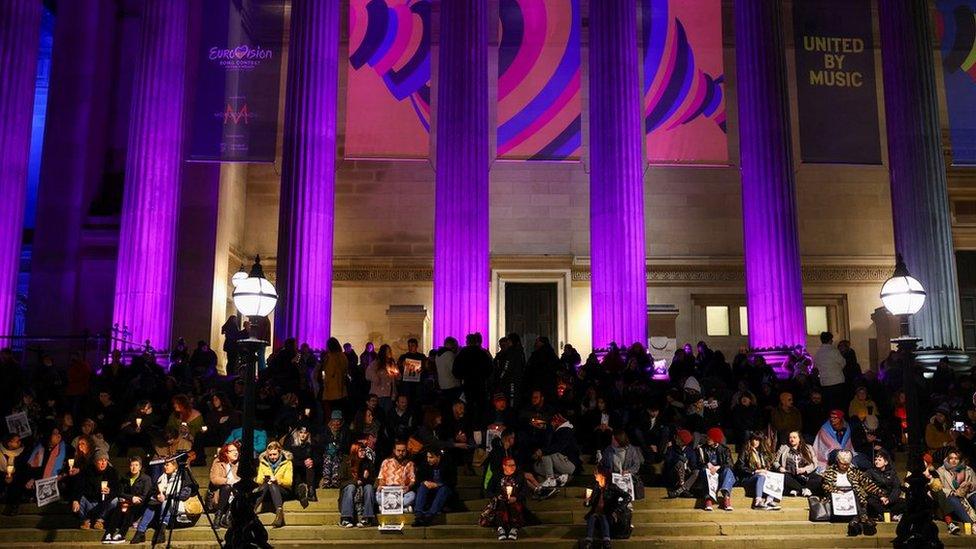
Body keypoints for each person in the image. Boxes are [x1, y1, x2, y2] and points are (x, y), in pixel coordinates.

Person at [820, 450, 884, 536]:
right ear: (838, 461)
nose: (845, 466)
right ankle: (862, 520)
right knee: (852, 496)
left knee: (857, 494)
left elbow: (867, 483)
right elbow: (826, 486)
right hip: (836, 496)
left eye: (847, 464)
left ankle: (856, 522)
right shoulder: (830, 471)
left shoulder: (854, 471)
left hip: (852, 495)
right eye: (842, 464)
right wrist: (836, 491)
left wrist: (881, 494)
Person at [131, 456, 192, 545]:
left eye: (167, 465)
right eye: (164, 465)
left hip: (175, 511)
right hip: (160, 511)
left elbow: (185, 494)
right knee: (151, 505)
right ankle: (140, 532)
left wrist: (166, 497)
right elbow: (153, 491)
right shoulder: (161, 478)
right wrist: (158, 495)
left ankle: (161, 532)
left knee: (164, 503)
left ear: (174, 466)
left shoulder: (182, 476)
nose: (164, 467)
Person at [101, 456, 152, 544]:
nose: (134, 467)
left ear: (140, 467)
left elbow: (145, 496)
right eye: (132, 465)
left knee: (131, 509)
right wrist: (131, 498)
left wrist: (133, 499)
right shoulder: (125, 477)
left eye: (136, 465)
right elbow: (120, 492)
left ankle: (121, 534)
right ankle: (108, 533)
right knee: (119, 507)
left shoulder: (146, 479)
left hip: (139, 506)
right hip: (127, 503)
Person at [582, 466, 632, 548]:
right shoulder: (596, 487)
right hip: (596, 513)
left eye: (598, 475)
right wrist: (587, 500)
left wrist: (619, 508)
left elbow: (628, 496)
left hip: (608, 514)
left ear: (603, 477)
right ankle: (588, 540)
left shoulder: (612, 487)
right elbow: (588, 504)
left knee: (603, 517)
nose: (596, 476)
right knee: (592, 517)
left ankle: (606, 541)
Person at [479, 457, 526, 540]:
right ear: (504, 466)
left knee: (514, 505)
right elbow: (488, 491)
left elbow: (524, 491)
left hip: (516, 501)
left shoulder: (519, 476)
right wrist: (497, 496)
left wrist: (516, 498)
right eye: (510, 465)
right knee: (501, 504)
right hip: (500, 502)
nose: (513, 467)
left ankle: (514, 528)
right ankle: (501, 528)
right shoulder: (497, 476)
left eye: (514, 465)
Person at [72, 449, 118, 530]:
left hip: (103, 503)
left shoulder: (111, 472)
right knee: (78, 499)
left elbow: (117, 489)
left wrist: (109, 491)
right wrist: (76, 500)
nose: (103, 463)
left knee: (115, 501)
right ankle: (85, 521)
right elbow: (79, 487)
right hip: (90, 501)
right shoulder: (87, 471)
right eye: (100, 460)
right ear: (95, 462)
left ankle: (100, 521)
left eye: (105, 460)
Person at [533, 413, 580, 489]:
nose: (552, 423)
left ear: (559, 421)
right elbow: (547, 442)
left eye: (554, 421)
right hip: (559, 462)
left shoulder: (566, 431)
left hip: (569, 464)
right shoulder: (557, 431)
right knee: (537, 467)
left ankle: (551, 479)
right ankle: (558, 477)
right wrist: (543, 428)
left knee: (546, 452)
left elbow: (556, 447)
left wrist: (542, 451)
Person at [734, 432, 780, 510]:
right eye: (754, 439)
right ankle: (758, 501)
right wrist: (755, 471)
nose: (755, 442)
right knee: (761, 475)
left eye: (758, 440)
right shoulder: (745, 450)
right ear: (750, 440)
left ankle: (769, 500)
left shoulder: (762, 453)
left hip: (761, 477)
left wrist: (767, 470)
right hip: (747, 477)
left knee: (775, 476)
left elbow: (769, 465)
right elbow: (740, 467)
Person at [338, 440, 377, 528]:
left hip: (364, 488)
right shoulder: (346, 462)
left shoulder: (368, 462)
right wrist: (356, 482)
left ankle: (367, 518)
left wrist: (364, 479)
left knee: (369, 487)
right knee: (351, 487)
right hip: (349, 488)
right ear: (355, 450)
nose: (363, 452)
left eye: (364, 450)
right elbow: (341, 482)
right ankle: (346, 518)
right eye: (360, 450)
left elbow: (372, 480)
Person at [413, 448, 456, 526]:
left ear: (438, 457)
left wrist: (438, 484)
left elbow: (452, 481)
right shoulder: (425, 464)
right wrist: (424, 482)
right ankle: (418, 515)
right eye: (428, 457)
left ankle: (429, 516)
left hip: (444, 490)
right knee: (422, 486)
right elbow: (418, 479)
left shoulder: (447, 464)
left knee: (444, 489)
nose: (428, 459)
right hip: (430, 490)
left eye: (431, 457)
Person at [254, 441, 293, 528]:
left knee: (271, 484)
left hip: (283, 490)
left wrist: (277, 480)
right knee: (267, 484)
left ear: (279, 452)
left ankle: (279, 515)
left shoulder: (287, 463)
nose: (272, 457)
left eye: (274, 454)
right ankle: (252, 510)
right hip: (267, 490)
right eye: (270, 455)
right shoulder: (263, 462)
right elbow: (259, 480)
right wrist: (264, 479)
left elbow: (289, 481)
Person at [598, 430, 644, 500]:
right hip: (613, 477)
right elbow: (603, 465)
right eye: (612, 439)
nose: (612, 441)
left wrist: (629, 471)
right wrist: (610, 473)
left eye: (614, 440)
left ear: (620, 441)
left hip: (627, 477)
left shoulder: (631, 450)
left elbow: (636, 465)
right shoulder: (608, 450)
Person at [697, 427, 734, 511]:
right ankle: (708, 500)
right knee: (704, 471)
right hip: (707, 473)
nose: (707, 439)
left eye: (709, 438)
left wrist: (718, 467)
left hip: (720, 474)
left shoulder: (725, 449)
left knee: (728, 471)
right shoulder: (702, 448)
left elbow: (730, 464)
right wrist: (707, 464)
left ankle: (726, 498)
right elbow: (698, 463)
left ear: (715, 439)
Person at [936, 450, 976, 527]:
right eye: (951, 458)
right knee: (952, 499)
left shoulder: (968, 469)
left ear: (960, 460)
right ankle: (972, 524)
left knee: (974, 496)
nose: (953, 460)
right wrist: (953, 492)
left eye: (956, 458)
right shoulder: (941, 471)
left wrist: (970, 485)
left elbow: (975, 484)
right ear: (948, 459)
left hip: (966, 495)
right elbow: (939, 487)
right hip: (952, 497)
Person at [772, 431, 816, 496]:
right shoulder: (783, 448)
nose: (792, 439)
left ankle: (795, 489)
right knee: (782, 476)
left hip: (803, 475)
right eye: (790, 438)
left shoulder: (808, 448)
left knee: (819, 479)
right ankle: (803, 490)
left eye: (794, 437)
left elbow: (814, 463)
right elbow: (775, 462)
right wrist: (779, 467)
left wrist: (804, 469)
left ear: (799, 439)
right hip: (789, 475)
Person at [376, 440, 416, 513]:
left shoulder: (410, 464)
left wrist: (408, 487)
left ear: (406, 451)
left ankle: (386, 508)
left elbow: (412, 480)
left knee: (412, 496)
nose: (401, 453)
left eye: (403, 451)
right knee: (377, 496)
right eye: (398, 450)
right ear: (394, 450)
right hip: (388, 492)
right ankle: (404, 509)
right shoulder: (386, 462)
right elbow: (381, 479)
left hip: (401, 492)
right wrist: (381, 486)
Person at [865, 449, 904, 521]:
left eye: (879, 460)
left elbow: (896, 488)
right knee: (871, 501)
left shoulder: (892, 473)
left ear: (886, 462)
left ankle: (883, 515)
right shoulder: (870, 472)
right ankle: (892, 516)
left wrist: (890, 499)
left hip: (888, 500)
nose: (876, 461)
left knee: (903, 502)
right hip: (877, 499)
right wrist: (881, 497)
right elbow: (868, 487)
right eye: (876, 459)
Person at [285, 424, 318, 508]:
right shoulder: (290, 442)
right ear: (297, 433)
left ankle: (311, 491)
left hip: (306, 470)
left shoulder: (312, 443)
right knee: (297, 481)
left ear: (308, 434)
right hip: (294, 469)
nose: (303, 435)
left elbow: (318, 458)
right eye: (301, 432)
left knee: (310, 466)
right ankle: (301, 495)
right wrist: (303, 462)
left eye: (305, 433)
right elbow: (289, 460)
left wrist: (312, 461)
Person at [208, 443, 240, 528]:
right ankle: (218, 516)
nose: (236, 452)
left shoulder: (238, 464)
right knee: (227, 487)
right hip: (221, 496)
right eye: (233, 451)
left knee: (238, 489)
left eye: (237, 450)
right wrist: (229, 481)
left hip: (235, 496)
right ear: (226, 453)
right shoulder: (218, 462)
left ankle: (227, 517)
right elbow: (214, 479)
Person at [813, 331, 847, 412]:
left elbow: (816, 366)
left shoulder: (818, 353)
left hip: (825, 383)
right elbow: (843, 363)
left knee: (829, 407)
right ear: (830, 340)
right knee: (838, 406)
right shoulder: (834, 351)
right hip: (837, 382)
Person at [316, 338, 348, 419]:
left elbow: (327, 373)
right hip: (342, 390)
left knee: (330, 414)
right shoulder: (343, 356)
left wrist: (322, 379)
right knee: (340, 413)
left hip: (331, 390)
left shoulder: (330, 357)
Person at [664, 429, 700, 498]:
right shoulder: (672, 448)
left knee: (697, 471)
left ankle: (679, 491)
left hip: (686, 475)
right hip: (675, 474)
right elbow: (668, 462)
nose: (676, 439)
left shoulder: (690, 451)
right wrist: (678, 457)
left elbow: (694, 465)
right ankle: (683, 489)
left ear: (683, 442)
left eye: (678, 438)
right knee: (680, 462)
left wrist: (688, 466)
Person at [320, 410, 350, 489]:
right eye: (334, 420)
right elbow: (322, 442)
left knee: (336, 460)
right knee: (328, 459)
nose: (336, 422)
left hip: (340, 452)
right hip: (327, 452)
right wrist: (328, 447)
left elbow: (346, 444)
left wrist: (338, 447)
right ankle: (326, 481)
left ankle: (335, 481)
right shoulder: (326, 429)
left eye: (338, 420)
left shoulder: (344, 430)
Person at [366, 345, 398, 416]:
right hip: (378, 393)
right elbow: (369, 373)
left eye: (390, 351)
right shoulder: (376, 363)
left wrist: (396, 374)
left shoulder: (391, 363)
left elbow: (397, 376)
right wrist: (376, 379)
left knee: (387, 413)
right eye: (387, 351)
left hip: (389, 394)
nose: (389, 353)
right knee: (378, 413)